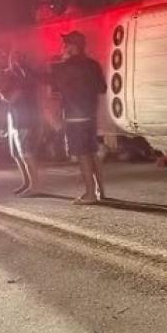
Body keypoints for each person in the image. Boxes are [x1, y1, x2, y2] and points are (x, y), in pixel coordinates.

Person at [50, 31, 106, 204]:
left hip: (75, 116)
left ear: (72, 47)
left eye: (65, 44)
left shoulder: (65, 66)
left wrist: (62, 62)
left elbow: (56, 88)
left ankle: (90, 194)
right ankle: (99, 191)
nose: (63, 48)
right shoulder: (93, 64)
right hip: (90, 114)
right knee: (92, 152)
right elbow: (102, 88)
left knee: (83, 154)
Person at [0, 51, 42, 196]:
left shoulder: (25, 75)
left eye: (17, 58)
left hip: (25, 119)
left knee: (26, 153)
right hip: (15, 118)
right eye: (12, 58)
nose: (13, 61)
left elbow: (13, 97)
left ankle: (34, 186)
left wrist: (5, 94)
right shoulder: (11, 76)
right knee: (16, 154)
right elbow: (6, 95)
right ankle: (27, 183)